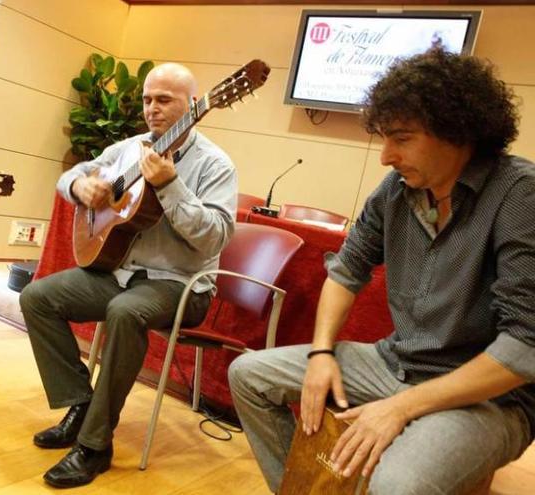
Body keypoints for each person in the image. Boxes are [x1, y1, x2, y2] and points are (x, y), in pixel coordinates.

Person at [228, 49, 535, 494]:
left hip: (488, 396)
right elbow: (346, 270)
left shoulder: (520, 195)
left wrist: (400, 407)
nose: (385, 157)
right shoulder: (396, 189)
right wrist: (320, 354)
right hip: (398, 362)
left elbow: (524, 345)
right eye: (383, 138)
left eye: (402, 138)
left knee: (395, 484)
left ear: (459, 131)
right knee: (249, 375)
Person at [20, 63, 238, 488]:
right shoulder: (129, 148)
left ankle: (95, 446)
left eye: (164, 100)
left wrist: (172, 186)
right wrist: (79, 188)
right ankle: (81, 405)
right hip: (119, 272)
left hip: (181, 285)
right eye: (146, 100)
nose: (151, 109)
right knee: (37, 297)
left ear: (194, 106)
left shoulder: (216, 164)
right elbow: (71, 175)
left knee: (125, 311)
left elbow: (215, 239)